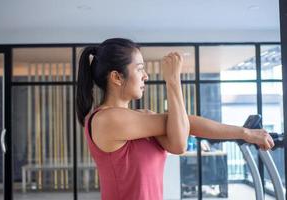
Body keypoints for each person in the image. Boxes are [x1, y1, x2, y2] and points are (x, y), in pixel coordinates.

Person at [76, 38, 274, 200]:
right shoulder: (107, 120)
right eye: (139, 69)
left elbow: (186, 123)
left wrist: (245, 133)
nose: (145, 75)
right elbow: (180, 144)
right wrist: (173, 82)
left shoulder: (142, 117)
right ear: (117, 77)